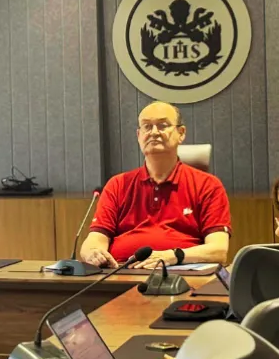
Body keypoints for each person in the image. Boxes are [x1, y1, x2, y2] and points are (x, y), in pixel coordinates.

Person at [80, 101, 231, 269]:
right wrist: (92, 253)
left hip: (181, 274)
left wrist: (172, 256)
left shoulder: (208, 185)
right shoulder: (118, 184)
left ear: (181, 133)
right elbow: (95, 239)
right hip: (121, 272)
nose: (153, 132)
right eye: (147, 126)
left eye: (162, 125)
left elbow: (219, 251)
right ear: (139, 135)